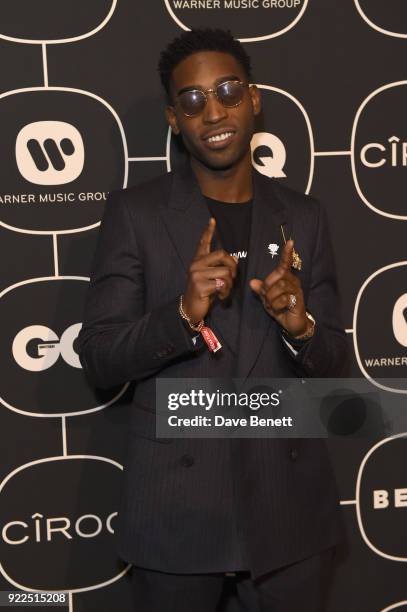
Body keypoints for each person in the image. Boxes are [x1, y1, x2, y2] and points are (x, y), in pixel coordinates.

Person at [77, 28, 348, 612]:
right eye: (194, 101)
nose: (214, 111)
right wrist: (180, 313)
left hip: (289, 514)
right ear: (175, 119)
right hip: (178, 511)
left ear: (254, 99)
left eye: (227, 90)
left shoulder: (305, 217)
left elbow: (334, 366)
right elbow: (98, 356)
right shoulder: (135, 213)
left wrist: (301, 327)